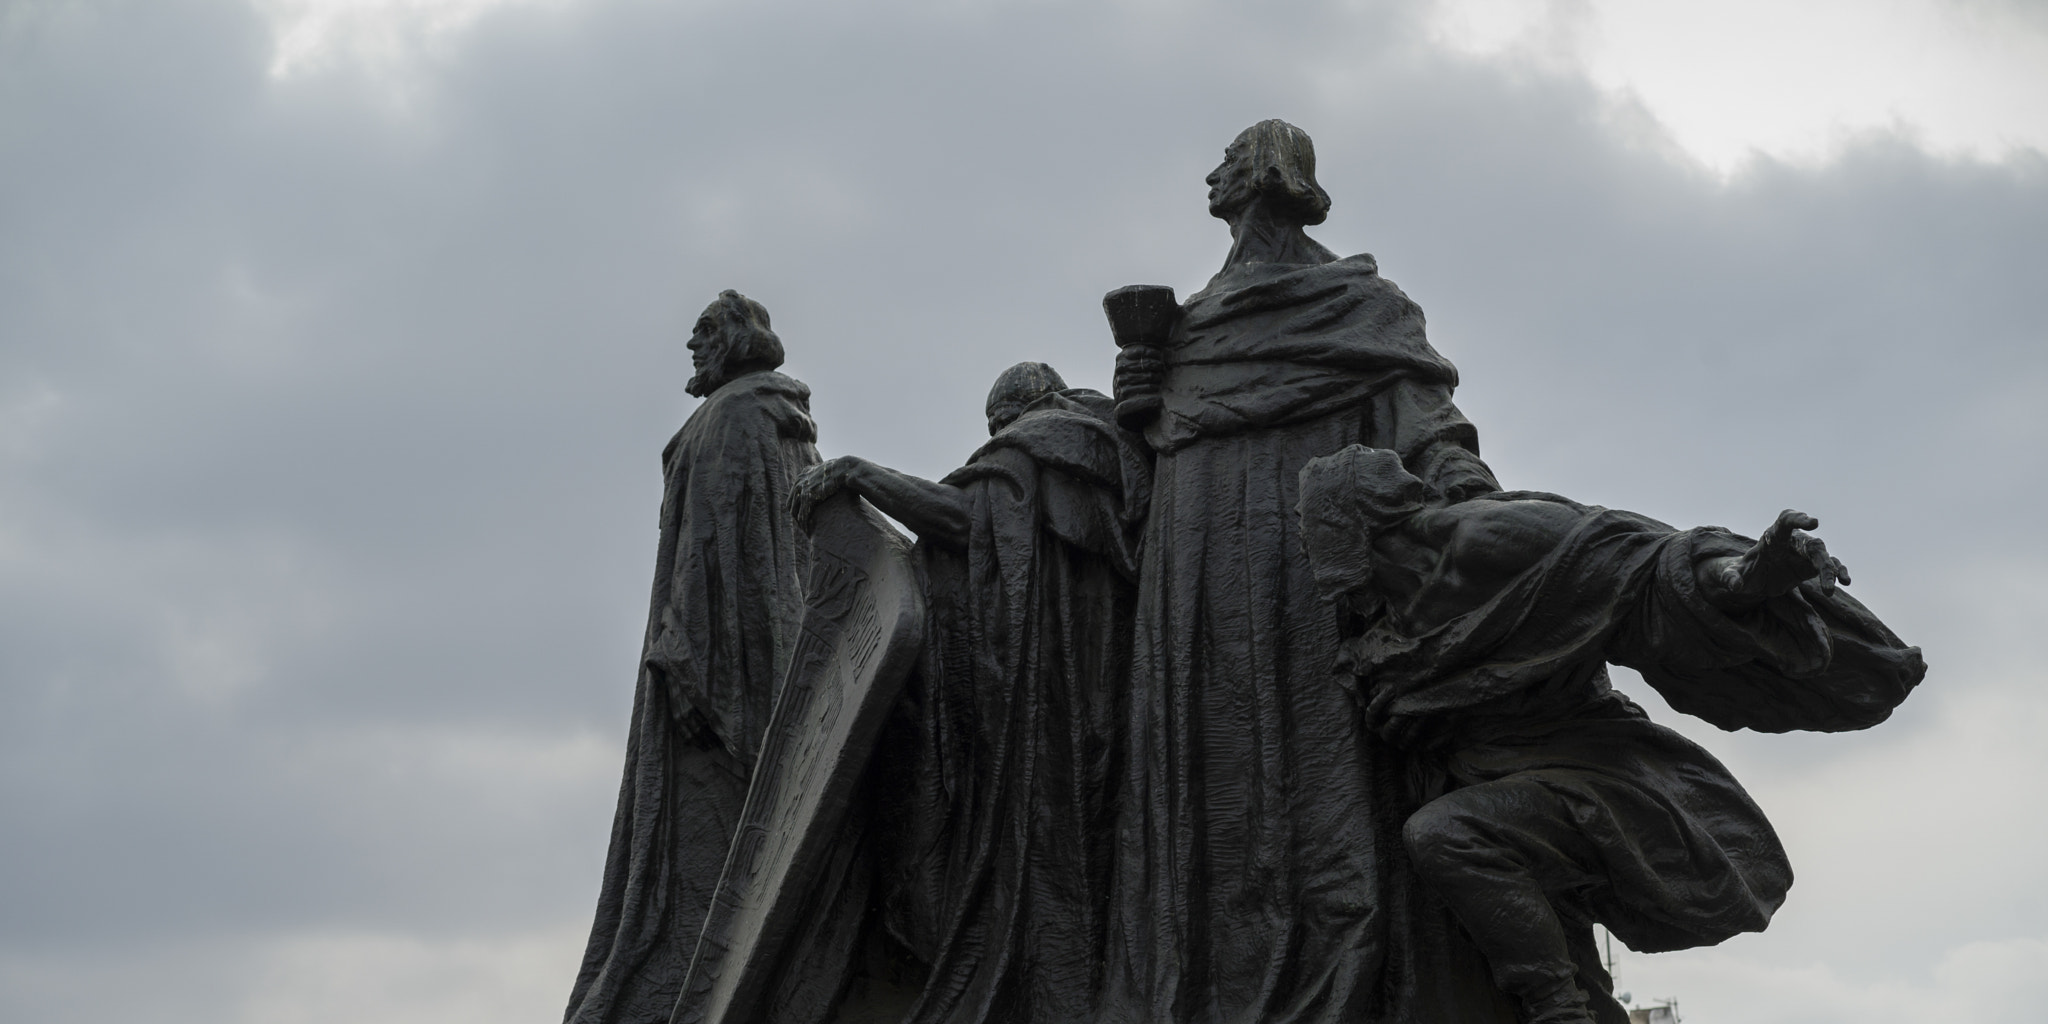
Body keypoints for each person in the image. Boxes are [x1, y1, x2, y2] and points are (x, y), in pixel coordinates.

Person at [1103, 120, 1508, 1024]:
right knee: (1211, 778)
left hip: (1308, 566)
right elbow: (1152, 468)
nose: (1210, 175)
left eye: (1227, 160)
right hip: (1196, 570)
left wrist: (1467, 498)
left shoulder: (1362, 305)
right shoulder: (1190, 322)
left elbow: (1425, 417)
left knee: (1332, 766)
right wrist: (1138, 409)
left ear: (1263, 174)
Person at [1295, 445, 1925, 1024]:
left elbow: (1641, 567)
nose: (1304, 539)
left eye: (1312, 523)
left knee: (1445, 836)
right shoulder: (1386, 606)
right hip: (1497, 777)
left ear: (1352, 521)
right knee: (1528, 920)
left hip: (1591, 769)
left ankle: (1558, 1014)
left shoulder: (1489, 538)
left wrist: (1750, 573)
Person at [788, 361, 1150, 1024]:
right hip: (1108, 698)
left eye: (994, 425)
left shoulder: (1033, 450)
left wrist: (857, 474)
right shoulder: (1115, 457)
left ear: (1017, 410)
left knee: (1041, 869)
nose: (992, 438)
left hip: (1046, 699)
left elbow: (967, 520)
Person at [565, 290, 821, 1024]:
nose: (691, 344)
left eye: (704, 331)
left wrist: (684, 644)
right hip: (756, 651)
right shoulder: (772, 418)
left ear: (738, 339)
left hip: (713, 662)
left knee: (689, 848)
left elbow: (719, 543)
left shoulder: (733, 417)